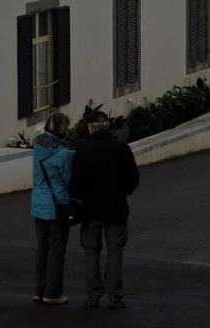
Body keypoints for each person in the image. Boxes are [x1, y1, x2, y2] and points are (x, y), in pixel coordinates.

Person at [70, 106, 140, 309]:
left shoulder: (82, 150)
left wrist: (81, 197)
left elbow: (75, 184)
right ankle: (114, 294)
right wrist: (122, 192)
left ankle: (93, 294)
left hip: (90, 210)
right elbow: (133, 179)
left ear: (91, 128)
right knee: (115, 251)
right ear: (106, 127)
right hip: (116, 208)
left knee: (91, 251)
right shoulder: (121, 149)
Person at [30, 111, 75, 305]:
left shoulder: (38, 146)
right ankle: (53, 292)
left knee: (42, 248)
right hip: (58, 206)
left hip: (38, 205)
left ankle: (39, 290)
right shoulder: (65, 154)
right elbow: (69, 180)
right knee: (57, 250)